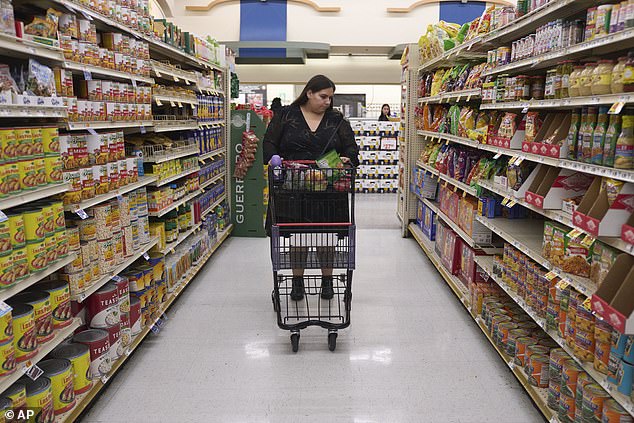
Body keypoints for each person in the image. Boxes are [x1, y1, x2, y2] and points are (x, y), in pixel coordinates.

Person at [263, 75, 359, 301]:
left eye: (330, 98)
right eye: (322, 96)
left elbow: (352, 148)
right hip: (293, 190)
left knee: (326, 238)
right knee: (298, 238)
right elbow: (269, 143)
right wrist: (273, 159)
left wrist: (348, 159)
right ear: (308, 93)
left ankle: (327, 282)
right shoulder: (286, 115)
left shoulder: (337, 120)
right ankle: (297, 283)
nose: (327, 102)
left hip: (329, 192)